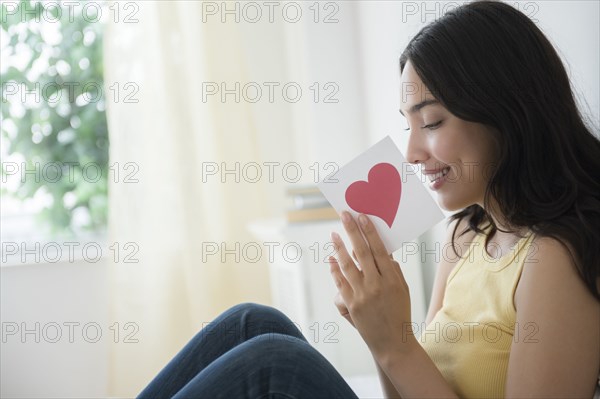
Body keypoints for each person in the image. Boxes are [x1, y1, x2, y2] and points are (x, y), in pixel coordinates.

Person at [138, 1, 600, 397]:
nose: (413, 154)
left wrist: (393, 344)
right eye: (409, 126)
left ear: (506, 112)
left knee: (276, 362)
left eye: (433, 122)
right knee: (250, 322)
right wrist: (377, 330)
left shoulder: (554, 256)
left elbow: (402, 356)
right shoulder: (466, 232)